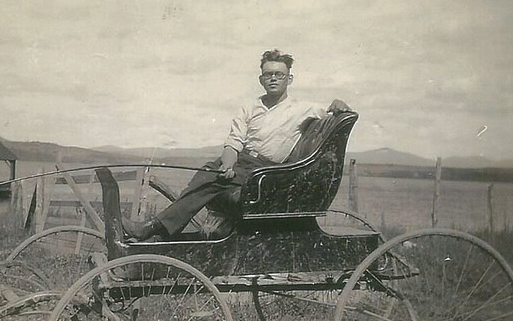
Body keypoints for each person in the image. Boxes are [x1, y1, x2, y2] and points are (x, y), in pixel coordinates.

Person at [121, 49, 351, 241]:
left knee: (208, 177)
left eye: (279, 75)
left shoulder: (303, 109)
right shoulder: (249, 108)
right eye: (268, 74)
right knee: (212, 172)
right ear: (261, 79)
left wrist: (339, 103)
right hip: (242, 164)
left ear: (289, 78)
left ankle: (156, 229)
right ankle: (163, 230)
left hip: (268, 173)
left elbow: (332, 108)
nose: (273, 78)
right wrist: (227, 165)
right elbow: (234, 143)